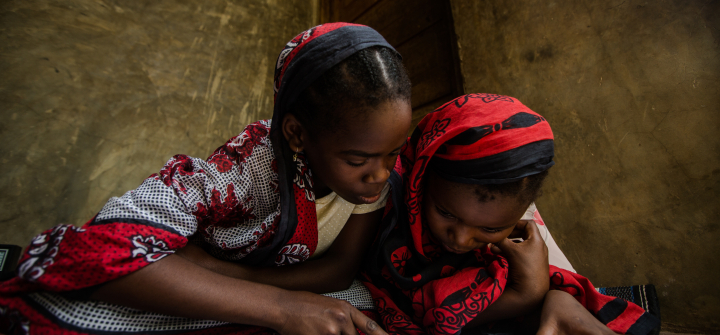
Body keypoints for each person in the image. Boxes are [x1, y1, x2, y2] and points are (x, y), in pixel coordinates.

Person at [0, 23, 412, 335]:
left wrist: (237, 279)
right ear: (296, 134)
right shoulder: (247, 166)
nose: (380, 173)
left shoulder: (374, 169)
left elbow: (341, 270)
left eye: (393, 152)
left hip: (245, 279)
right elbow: (106, 248)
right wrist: (280, 307)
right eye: (358, 159)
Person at [361, 93, 661, 334]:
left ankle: (559, 308)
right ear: (420, 180)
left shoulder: (510, 237)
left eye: (491, 230)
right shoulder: (383, 197)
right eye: (446, 213)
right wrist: (526, 294)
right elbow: (434, 319)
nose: (462, 239)